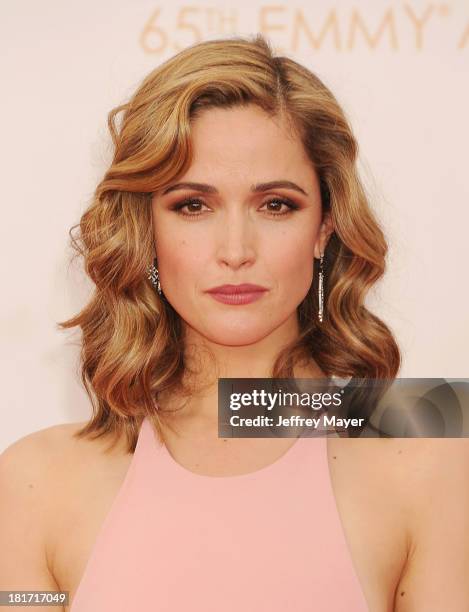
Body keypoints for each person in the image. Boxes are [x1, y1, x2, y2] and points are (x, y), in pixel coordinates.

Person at [1, 33, 468, 612]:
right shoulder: (32, 483)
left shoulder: (431, 464)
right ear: (146, 232)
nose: (236, 249)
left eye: (276, 205)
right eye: (192, 205)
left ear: (325, 227)